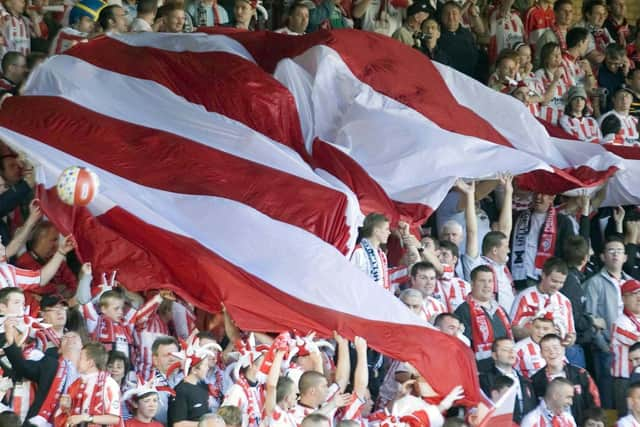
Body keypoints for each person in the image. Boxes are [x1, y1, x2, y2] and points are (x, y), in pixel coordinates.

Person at [584, 234, 633, 408]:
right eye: (611, 250)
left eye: (619, 251)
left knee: (632, 397)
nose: (615, 254)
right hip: (607, 348)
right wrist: (603, 345)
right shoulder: (594, 283)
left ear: (625, 257)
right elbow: (589, 315)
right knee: (608, 397)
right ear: (603, 256)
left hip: (633, 350)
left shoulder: (633, 283)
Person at [510, 192, 576, 288]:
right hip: (520, 278)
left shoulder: (563, 222)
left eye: (543, 193)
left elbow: (569, 254)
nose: (538, 196)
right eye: (536, 192)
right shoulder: (519, 218)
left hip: (548, 281)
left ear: (552, 197)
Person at [531, 334, 600, 423]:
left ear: (563, 350)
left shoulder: (581, 374)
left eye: (555, 348)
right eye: (546, 349)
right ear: (541, 354)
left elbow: (594, 402)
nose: (552, 352)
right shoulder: (535, 380)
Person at [454, 265, 512, 371]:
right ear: (472, 284)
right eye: (482, 281)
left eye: (490, 281)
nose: (487, 285)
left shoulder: (501, 310)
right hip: (479, 371)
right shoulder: (463, 311)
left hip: (503, 370)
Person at [54, 342, 122, 427]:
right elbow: (72, 418)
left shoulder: (109, 384)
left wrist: (86, 418)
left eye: (81, 358)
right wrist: (66, 408)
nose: (77, 361)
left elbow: (115, 419)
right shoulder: (76, 383)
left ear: (90, 363)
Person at [510, 257, 575, 345]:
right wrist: (538, 334)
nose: (557, 286)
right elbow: (512, 329)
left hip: (556, 354)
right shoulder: (524, 297)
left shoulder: (565, 301)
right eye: (554, 281)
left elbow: (572, 334)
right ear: (543, 275)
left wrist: (569, 340)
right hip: (529, 353)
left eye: (561, 282)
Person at [479, 338, 537, 424]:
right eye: (505, 350)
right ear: (494, 355)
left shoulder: (525, 380)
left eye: (513, 349)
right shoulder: (485, 380)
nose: (511, 352)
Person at [560, 235, 595, 368]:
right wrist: (592, 321)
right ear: (585, 258)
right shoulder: (571, 282)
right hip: (571, 346)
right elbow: (573, 318)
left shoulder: (572, 278)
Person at [168, 338, 217, 427]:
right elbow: (178, 424)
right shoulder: (180, 391)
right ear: (194, 370)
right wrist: (207, 425)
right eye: (205, 365)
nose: (208, 368)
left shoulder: (203, 386)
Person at [610, 279, 640, 414]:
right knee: (626, 418)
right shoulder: (620, 322)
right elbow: (637, 343)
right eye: (634, 294)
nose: (639, 297)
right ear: (624, 298)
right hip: (625, 379)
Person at [437, 1, 480, 79]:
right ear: (441, 16)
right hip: (448, 79)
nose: (450, 17)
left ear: (460, 16)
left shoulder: (467, 34)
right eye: (447, 14)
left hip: (470, 78)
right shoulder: (437, 36)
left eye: (454, 13)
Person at [350, 213, 391, 291]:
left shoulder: (382, 254)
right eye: (386, 229)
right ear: (376, 231)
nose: (389, 232)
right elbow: (351, 279)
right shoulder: (359, 252)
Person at [535, 0, 574, 66]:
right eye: (564, 11)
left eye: (570, 11)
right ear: (555, 13)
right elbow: (537, 62)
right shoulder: (547, 36)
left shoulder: (573, 34)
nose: (568, 14)